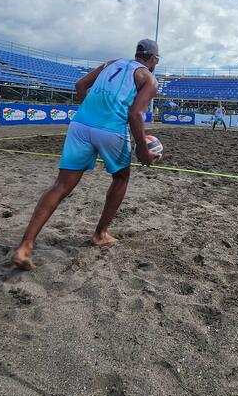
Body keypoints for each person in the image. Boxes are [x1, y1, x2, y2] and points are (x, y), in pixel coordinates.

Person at [11, 39, 162, 270]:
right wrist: (142, 150)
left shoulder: (111, 63)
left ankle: (25, 246)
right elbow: (135, 114)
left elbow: (80, 85)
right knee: (121, 178)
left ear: (136, 54)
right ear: (153, 60)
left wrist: (91, 112)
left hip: (80, 125)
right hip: (111, 128)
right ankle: (100, 234)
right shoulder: (148, 78)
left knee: (61, 185)